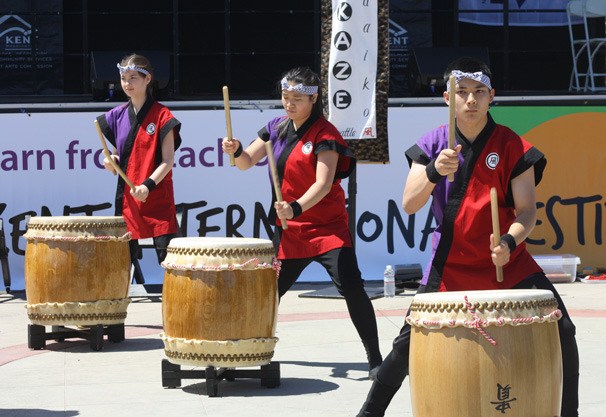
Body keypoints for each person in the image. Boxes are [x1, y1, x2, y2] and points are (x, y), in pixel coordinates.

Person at [357, 57, 579, 416]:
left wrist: (509, 241)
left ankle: (570, 413)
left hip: (506, 259)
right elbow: (410, 204)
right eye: (461, 93)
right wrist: (433, 170)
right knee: (406, 345)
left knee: (562, 329)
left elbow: (527, 211)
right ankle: (369, 413)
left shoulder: (511, 145)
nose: (470, 100)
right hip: (451, 261)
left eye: (479, 92)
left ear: (492, 96)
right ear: (447, 99)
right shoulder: (432, 143)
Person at [222, 66, 383, 379]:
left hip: (328, 230)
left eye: (297, 98)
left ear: (314, 98)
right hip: (290, 232)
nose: (289, 103)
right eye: (285, 97)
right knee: (268, 294)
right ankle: (244, 352)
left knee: (352, 287)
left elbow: (323, 185)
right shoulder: (276, 127)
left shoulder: (326, 134)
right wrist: (237, 149)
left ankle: (375, 358)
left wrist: (295, 207)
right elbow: (245, 163)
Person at [97, 53, 182, 266]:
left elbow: (168, 160)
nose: (127, 83)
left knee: (170, 260)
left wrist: (147, 185)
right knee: (122, 261)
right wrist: (109, 160)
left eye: (133, 77)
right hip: (129, 198)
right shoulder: (116, 115)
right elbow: (117, 153)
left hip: (157, 196)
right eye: (124, 78)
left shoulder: (163, 115)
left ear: (148, 79)